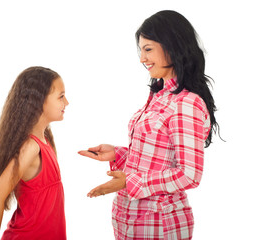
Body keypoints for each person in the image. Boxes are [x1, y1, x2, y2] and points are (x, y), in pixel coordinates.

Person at [79, 10, 219, 239]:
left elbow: (189, 174)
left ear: (173, 46)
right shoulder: (160, 95)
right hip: (132, 221)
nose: (142, 59)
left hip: (160, 224)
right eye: (141, 50)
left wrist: (129, 181)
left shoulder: (187, 103)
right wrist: (118, 154)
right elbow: (158, 157)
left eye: (148, 49)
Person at [0, 66, 69, 240]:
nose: (66, 102)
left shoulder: (45, 140)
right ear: (38, 101)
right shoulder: (30, 147)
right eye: (61, 96)